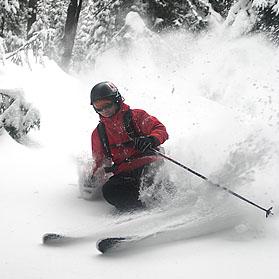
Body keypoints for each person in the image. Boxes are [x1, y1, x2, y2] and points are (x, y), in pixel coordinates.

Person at [86, 81, 169, 211]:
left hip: (149, 163)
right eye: (98, 107)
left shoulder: (136, 116)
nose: (104, 110)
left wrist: (151, 140)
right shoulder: (99, 133)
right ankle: (143, 210)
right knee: (109, 191)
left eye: (107, 105)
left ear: (117, 100)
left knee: (150, 180)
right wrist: (93, 176)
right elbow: (99, 161)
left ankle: (166, 200)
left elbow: (160, 129)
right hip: (125, 172)